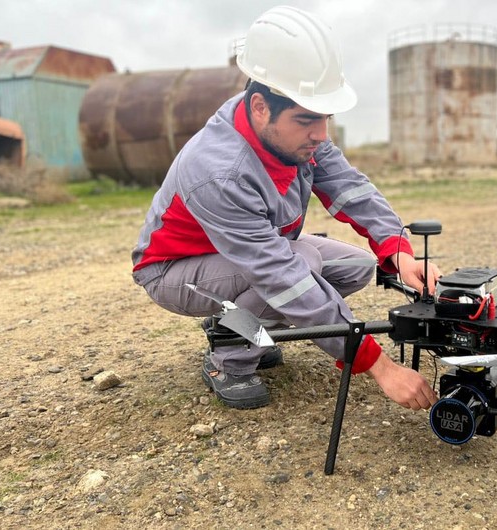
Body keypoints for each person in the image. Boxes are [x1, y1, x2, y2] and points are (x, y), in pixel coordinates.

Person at [132, 6, 440, 411]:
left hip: (243, 256)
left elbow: (350, 188)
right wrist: (378, 365)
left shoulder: (290, 129)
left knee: (357, 266)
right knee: (302, 266)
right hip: (173, 269)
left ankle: (242, 327)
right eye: (308, 120)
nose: (321, 133)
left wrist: (397, 251)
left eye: (326, 117)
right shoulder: (219, 171)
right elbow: (281, 275)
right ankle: (228, 359)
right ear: (260, 106)